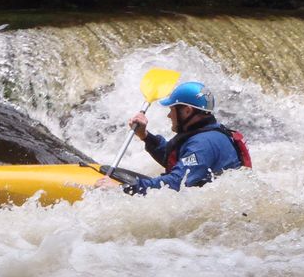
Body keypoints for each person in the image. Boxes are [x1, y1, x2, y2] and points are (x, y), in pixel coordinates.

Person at [95, 81, 247, 195]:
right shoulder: (208, 134)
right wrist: (145, 136)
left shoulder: (202, 144)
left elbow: (174, 183)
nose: (169, 115)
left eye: (172, 110)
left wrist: (122, 189)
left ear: (187, 111)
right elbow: (178, 162)